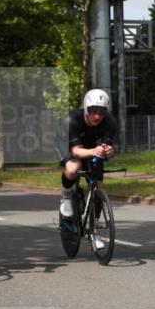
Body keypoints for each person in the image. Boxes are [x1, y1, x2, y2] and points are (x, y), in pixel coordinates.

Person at [59, 89, 118, 248]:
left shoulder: (110, 122)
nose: (97, 116)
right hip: (71, 148)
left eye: (102, 112)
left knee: (98, 184)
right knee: (73, 168)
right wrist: (93, 151)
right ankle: (66, 195)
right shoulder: (73, 119)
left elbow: (108, 146)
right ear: (86, 109)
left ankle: (94, 229)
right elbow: (76, 151)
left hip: (92, 150)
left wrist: (110, 151)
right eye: (93, 112)